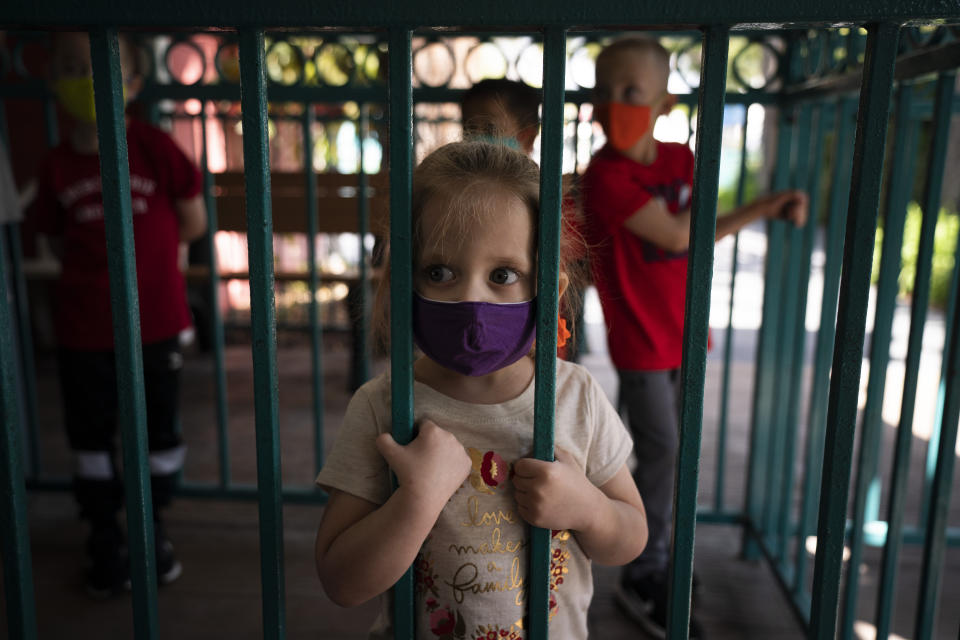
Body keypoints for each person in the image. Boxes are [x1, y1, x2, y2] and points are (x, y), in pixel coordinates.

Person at [314, 140, 648, 639]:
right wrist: (418, 499)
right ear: (403, 280)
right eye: (440, 272)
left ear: (547, 288)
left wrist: (589, 509)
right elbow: (341, 580)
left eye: (503, 275)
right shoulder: (383, 406)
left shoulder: (574, 396)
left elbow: (631, 537)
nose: (471, 298)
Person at [580, 36, 808, 639]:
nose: (612, 104)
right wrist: (762, 206)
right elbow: (683, 236)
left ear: (664, 102)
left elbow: (694, 230)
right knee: (662, 452)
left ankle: (660, 554)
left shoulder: (683, 160)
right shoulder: (605, 175)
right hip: (639, 344)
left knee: (675, 454)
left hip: (687, 338)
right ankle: (645, 569)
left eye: (630, 92)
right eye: (603, 93)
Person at [29, 32, 207, 597]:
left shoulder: (154, 146)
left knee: (158, 432)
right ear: (52, 79)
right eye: (69, 66)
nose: (84, 78)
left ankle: (152, 530)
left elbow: (194, 221)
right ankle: (103, 535)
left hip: (153, 322)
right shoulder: (56, 166)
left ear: (132, 82)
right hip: (83, 329)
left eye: (99, 67)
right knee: (91, 436)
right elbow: (52, 242)